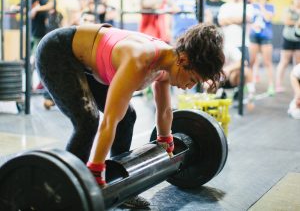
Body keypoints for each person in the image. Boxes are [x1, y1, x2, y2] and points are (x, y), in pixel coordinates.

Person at [35, 23, 225, 208]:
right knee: (88, 121)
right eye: (192, 80)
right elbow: (110, 120)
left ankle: (120, 185)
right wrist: (95, 168)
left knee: (127, 117)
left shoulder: (168, 64)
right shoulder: (139, 60)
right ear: (183, 60)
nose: (189, 87)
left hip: (90, 62)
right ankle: (58, 191)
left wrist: (166, 140)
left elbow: (165, 110)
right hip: (59, 51)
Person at [249, 0, 275, 96]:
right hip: (254, 35)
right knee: (252, 61)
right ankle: (249, 84)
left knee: (267, 62)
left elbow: (268, 18)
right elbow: (249, 19)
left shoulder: (271, 6)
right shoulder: (251, 6)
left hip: (266, 36)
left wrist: (261, 6)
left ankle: (271, 86)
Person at [275, 0, 300, 93]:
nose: (299, 1)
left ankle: (297, 87)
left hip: (298, 40)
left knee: (298, 64)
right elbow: (286, 21)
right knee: (284, 62)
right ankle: (278, 84)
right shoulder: (288, 9)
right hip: (288, 39)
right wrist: (297, 23)